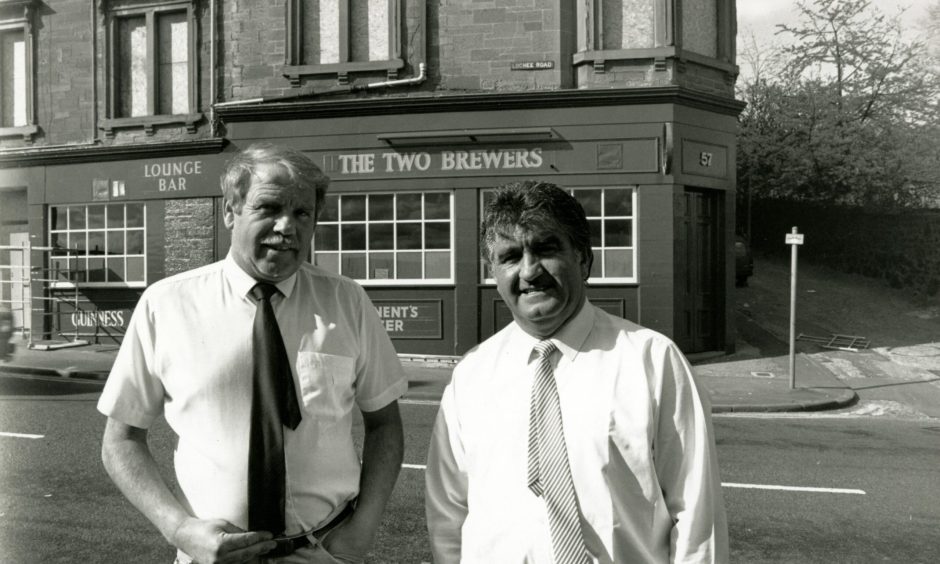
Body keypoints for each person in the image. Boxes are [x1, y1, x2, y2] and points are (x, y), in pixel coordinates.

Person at [99, 143, 407, 564]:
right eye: (269, 208)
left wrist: (362, 531)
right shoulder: (166, 305)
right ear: (231, 210)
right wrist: (179, 529)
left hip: (324, 551)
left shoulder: (347, 302)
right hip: (212, 556)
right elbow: (121, 439)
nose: (287, 227)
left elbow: (385, 425)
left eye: (302, 213)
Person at [425, 181, 728, 563]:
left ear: (585, 260)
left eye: (546, 249)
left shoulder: (652, 361)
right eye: (511, 256)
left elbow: (698, 515)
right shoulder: (471, 376)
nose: (530, 271)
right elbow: (448, 517)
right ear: (494, 271)